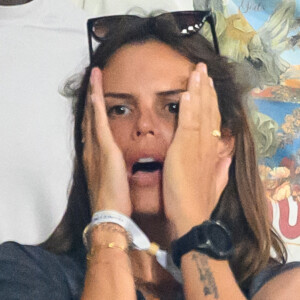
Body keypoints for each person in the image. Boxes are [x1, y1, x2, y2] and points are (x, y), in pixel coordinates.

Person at [1, 11, 300, 300]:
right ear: (90, 137)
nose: (144, 126)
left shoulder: (285, 286)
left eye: (173, 107)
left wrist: (192, 224)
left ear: (223, 140)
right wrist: (109, 226)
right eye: (119, 109)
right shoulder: (23, 272)